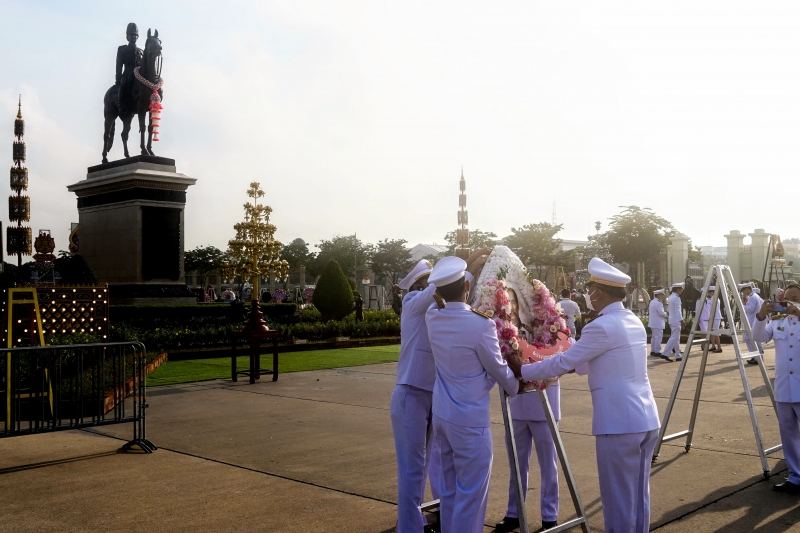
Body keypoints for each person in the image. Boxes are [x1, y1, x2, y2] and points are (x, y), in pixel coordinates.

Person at [520, 257, 661, 533]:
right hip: (645, 419)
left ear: (599, 292)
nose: (588, 297)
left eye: (591, 291)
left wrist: (523, 371)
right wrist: (567, 342)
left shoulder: (601, 326)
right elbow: (585, 365)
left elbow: (565, 363)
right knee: (638, 497)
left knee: (618, 499)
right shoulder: (630, 319)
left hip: (619, 423)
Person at [425, 256, 523, 533]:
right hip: (469, 419)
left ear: (438, 291)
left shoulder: (433, 317)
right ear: (467, 286)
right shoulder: (480, 324)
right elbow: (497, 369)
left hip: (443, 414)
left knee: (451, 491)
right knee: (472, 494)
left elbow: (436, 303)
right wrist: (516, 384)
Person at [495, 285, 561, 532]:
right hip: (517, 404)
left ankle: (549, 515)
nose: (510, 305)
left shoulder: (543, 326)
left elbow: (561, 353)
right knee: (516, 463)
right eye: (506, 301)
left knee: (549, 465)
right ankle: (514, 513)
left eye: (514, 300)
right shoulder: (501, 332)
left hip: (544, 403)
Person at [390, 259, 438, 533]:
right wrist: (467, 263)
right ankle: (409, 528)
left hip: (430, 393)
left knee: (423, 465)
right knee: (412, 467)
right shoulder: (412, 301)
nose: (434, 284)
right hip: (410, 393)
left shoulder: (433, 309)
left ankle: (414, 521)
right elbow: (439, 290)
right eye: (429, 279)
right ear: (419, 284)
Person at [754, 283, 800, 492]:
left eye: (796, 298)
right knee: (788, 433)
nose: (790, 301)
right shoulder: (778, 320)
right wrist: (761, 316)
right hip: (783, 387)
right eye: (787, 298)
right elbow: (759, 337)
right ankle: (795, 476)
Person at [115, 23, 143, 115]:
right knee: (123, 85)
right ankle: (121, 105)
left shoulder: (141, 52)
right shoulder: (122, 50)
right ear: (127, 37)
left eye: (135, 35)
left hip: (138, 76)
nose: (133, 37)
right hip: (127, 74)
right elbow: (119, 65)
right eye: (131, 35)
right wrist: (118, 80)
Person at [740, 282, 764, 365]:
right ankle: (755, 356)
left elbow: (750, 309)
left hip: (752, 321)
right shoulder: (753, 296)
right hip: (752, 320)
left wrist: (741, 306)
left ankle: (758, 357)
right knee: (748, 339)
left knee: (754, 340)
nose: (743, 292)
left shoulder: (753, 297)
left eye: (743, 290)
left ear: (747, 289)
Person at [695, 286, 723, 353]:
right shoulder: (711, 299)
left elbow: (712, 309)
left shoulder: (715, 299)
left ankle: (719, 347)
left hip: (715, 317)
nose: (708, 293)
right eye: (708, 292)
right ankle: (713, 346)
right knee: (712, 333)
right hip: (712, 318)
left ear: (713, 292)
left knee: (716, 334)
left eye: (709, 292)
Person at [663, 283, 685, 361]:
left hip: (672, 320)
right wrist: (681, 320)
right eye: (681, 289)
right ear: (677, 289)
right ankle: (665, 353)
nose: (682, 291)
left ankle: (678, 355)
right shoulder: (676, 298)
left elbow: (668, 310)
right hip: (676, 320)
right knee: (674, 337)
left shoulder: (670, 297)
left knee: (676, 337)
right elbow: (678, 310)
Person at [649, 289, 668, 359]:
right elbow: (662, 313)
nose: (663, 297)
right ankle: (657, 351)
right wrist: (668, 314)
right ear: (658, 295)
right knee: (658, 337)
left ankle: (653, 350)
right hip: (658, 323)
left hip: (653, 323)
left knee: (654, 337)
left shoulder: (652, 302)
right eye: (662, 295)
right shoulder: (658, 303)